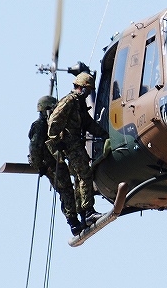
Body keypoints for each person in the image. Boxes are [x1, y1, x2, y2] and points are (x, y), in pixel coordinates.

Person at [46, 72, 109, 229]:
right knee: (85, 174)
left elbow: (88, 123)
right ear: (82, 88)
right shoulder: (69, 101)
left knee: (79, 178)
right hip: (71, 145)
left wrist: (105, 135)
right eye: (88, 90)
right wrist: (57, 141)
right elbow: (53, 121)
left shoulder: (78, 103)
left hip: (75, 144)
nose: (88, 94)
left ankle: (82, 212)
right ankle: (88, 211)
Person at [28, 95, 82, 235]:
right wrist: (40, 166)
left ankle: (81, 213)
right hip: (50, 164)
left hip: (59, 160)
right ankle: (73, 221)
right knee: (65, 190)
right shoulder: (40, 126)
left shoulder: (54, 122)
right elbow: (34, 148)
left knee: (75, 183)